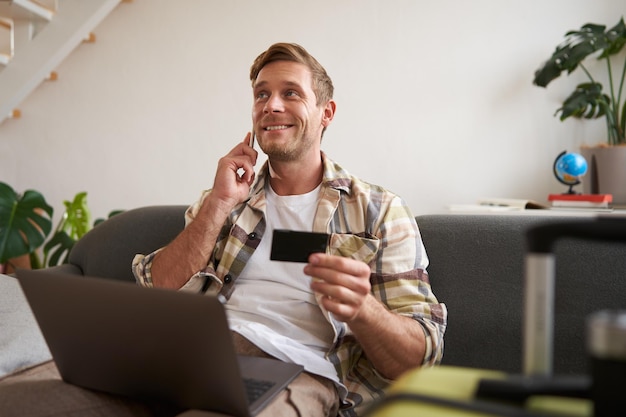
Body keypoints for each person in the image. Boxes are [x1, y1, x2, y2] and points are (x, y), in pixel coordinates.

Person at [0, 42, 446, 417]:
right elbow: (157, 290)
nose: (271, 105)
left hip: (298, 367)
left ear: (326, 112)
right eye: (261, 94)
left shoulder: (379, 211)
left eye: (291, 93)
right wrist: (218, 204)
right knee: (20, 400)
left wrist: (363, 308)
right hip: (187, 353)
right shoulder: (228, 199)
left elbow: (418, 357)